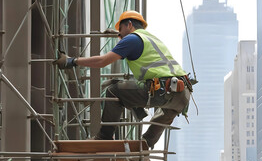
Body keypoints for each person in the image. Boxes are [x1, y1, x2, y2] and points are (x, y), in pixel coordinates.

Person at [54, 10, 191, 149]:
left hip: (163, 89)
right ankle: (146, 144)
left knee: (114, 91)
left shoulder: (132, 39)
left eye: (120, 29)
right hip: (182, 94)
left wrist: (72, 61)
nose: (119, 34)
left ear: (129, 24)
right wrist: (118, 35)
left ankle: (104, 137)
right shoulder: (150, 39)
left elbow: (102, 61)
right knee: (162, 115)